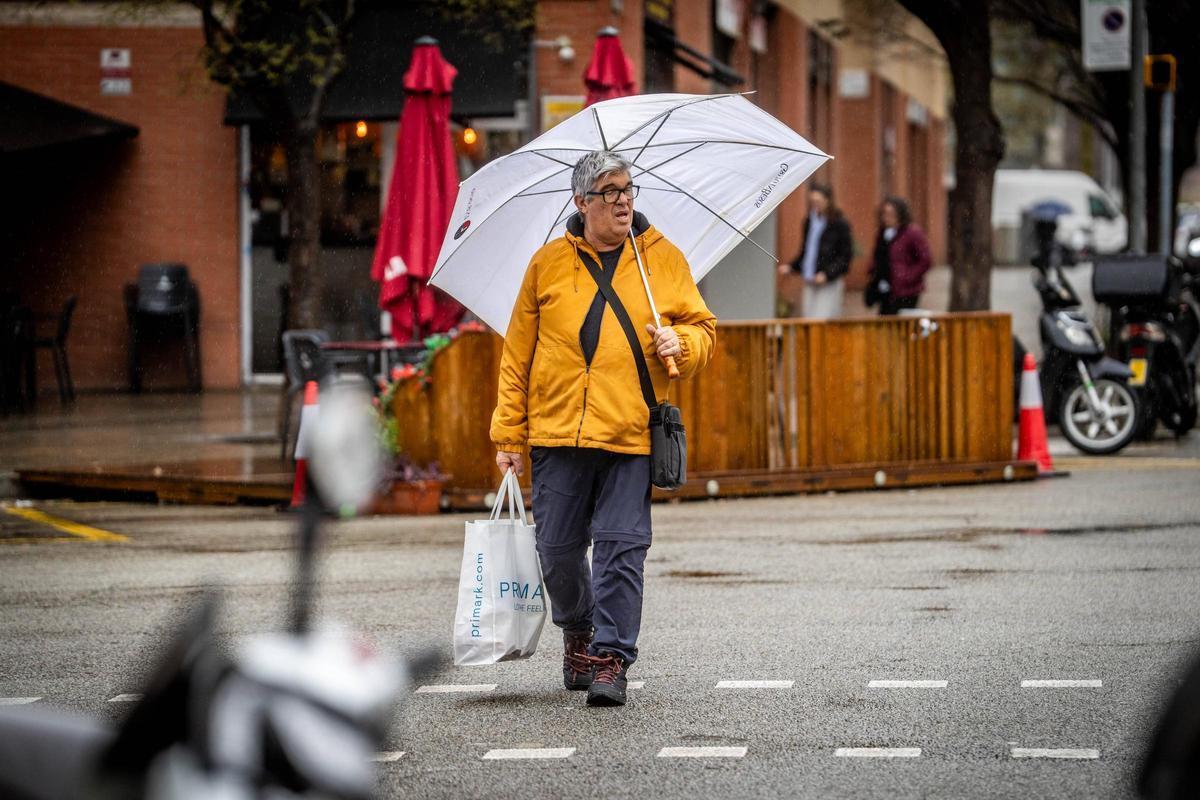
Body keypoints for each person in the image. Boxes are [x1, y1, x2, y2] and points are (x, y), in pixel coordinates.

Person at [490, 151, 716, 707]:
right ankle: (579, 629)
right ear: (581, 202)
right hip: (559, 432)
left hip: (631, 432)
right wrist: (507, 436)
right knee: (557, 551)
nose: (622, 200)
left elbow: (703, 328)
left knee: (622, 547)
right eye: (609, 191)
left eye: (628, 189)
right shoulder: (545, 265)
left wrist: (681, 344)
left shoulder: (661, 259)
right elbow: (517, 355)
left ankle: (612, 658)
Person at [777, 183, 853, 319]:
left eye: (818, 201)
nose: (815, 205)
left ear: (828, 201)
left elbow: (845, 257)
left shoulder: (839, 224)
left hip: (828, 282)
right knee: (808, 319)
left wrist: (827, 274)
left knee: (822, 320)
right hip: (810, 279)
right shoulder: (809, 221)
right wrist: (792, 267)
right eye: (812, 202)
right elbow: (807, 252)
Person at [866, 196, 933, 316]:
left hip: (906, 291)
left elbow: (925, 260)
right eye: (884, 214)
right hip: (885, 288)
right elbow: (879, 256)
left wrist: (907, 276)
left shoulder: (912, 233)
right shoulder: (882, 234)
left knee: (902, 324)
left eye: (891, 214)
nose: (887, 218)